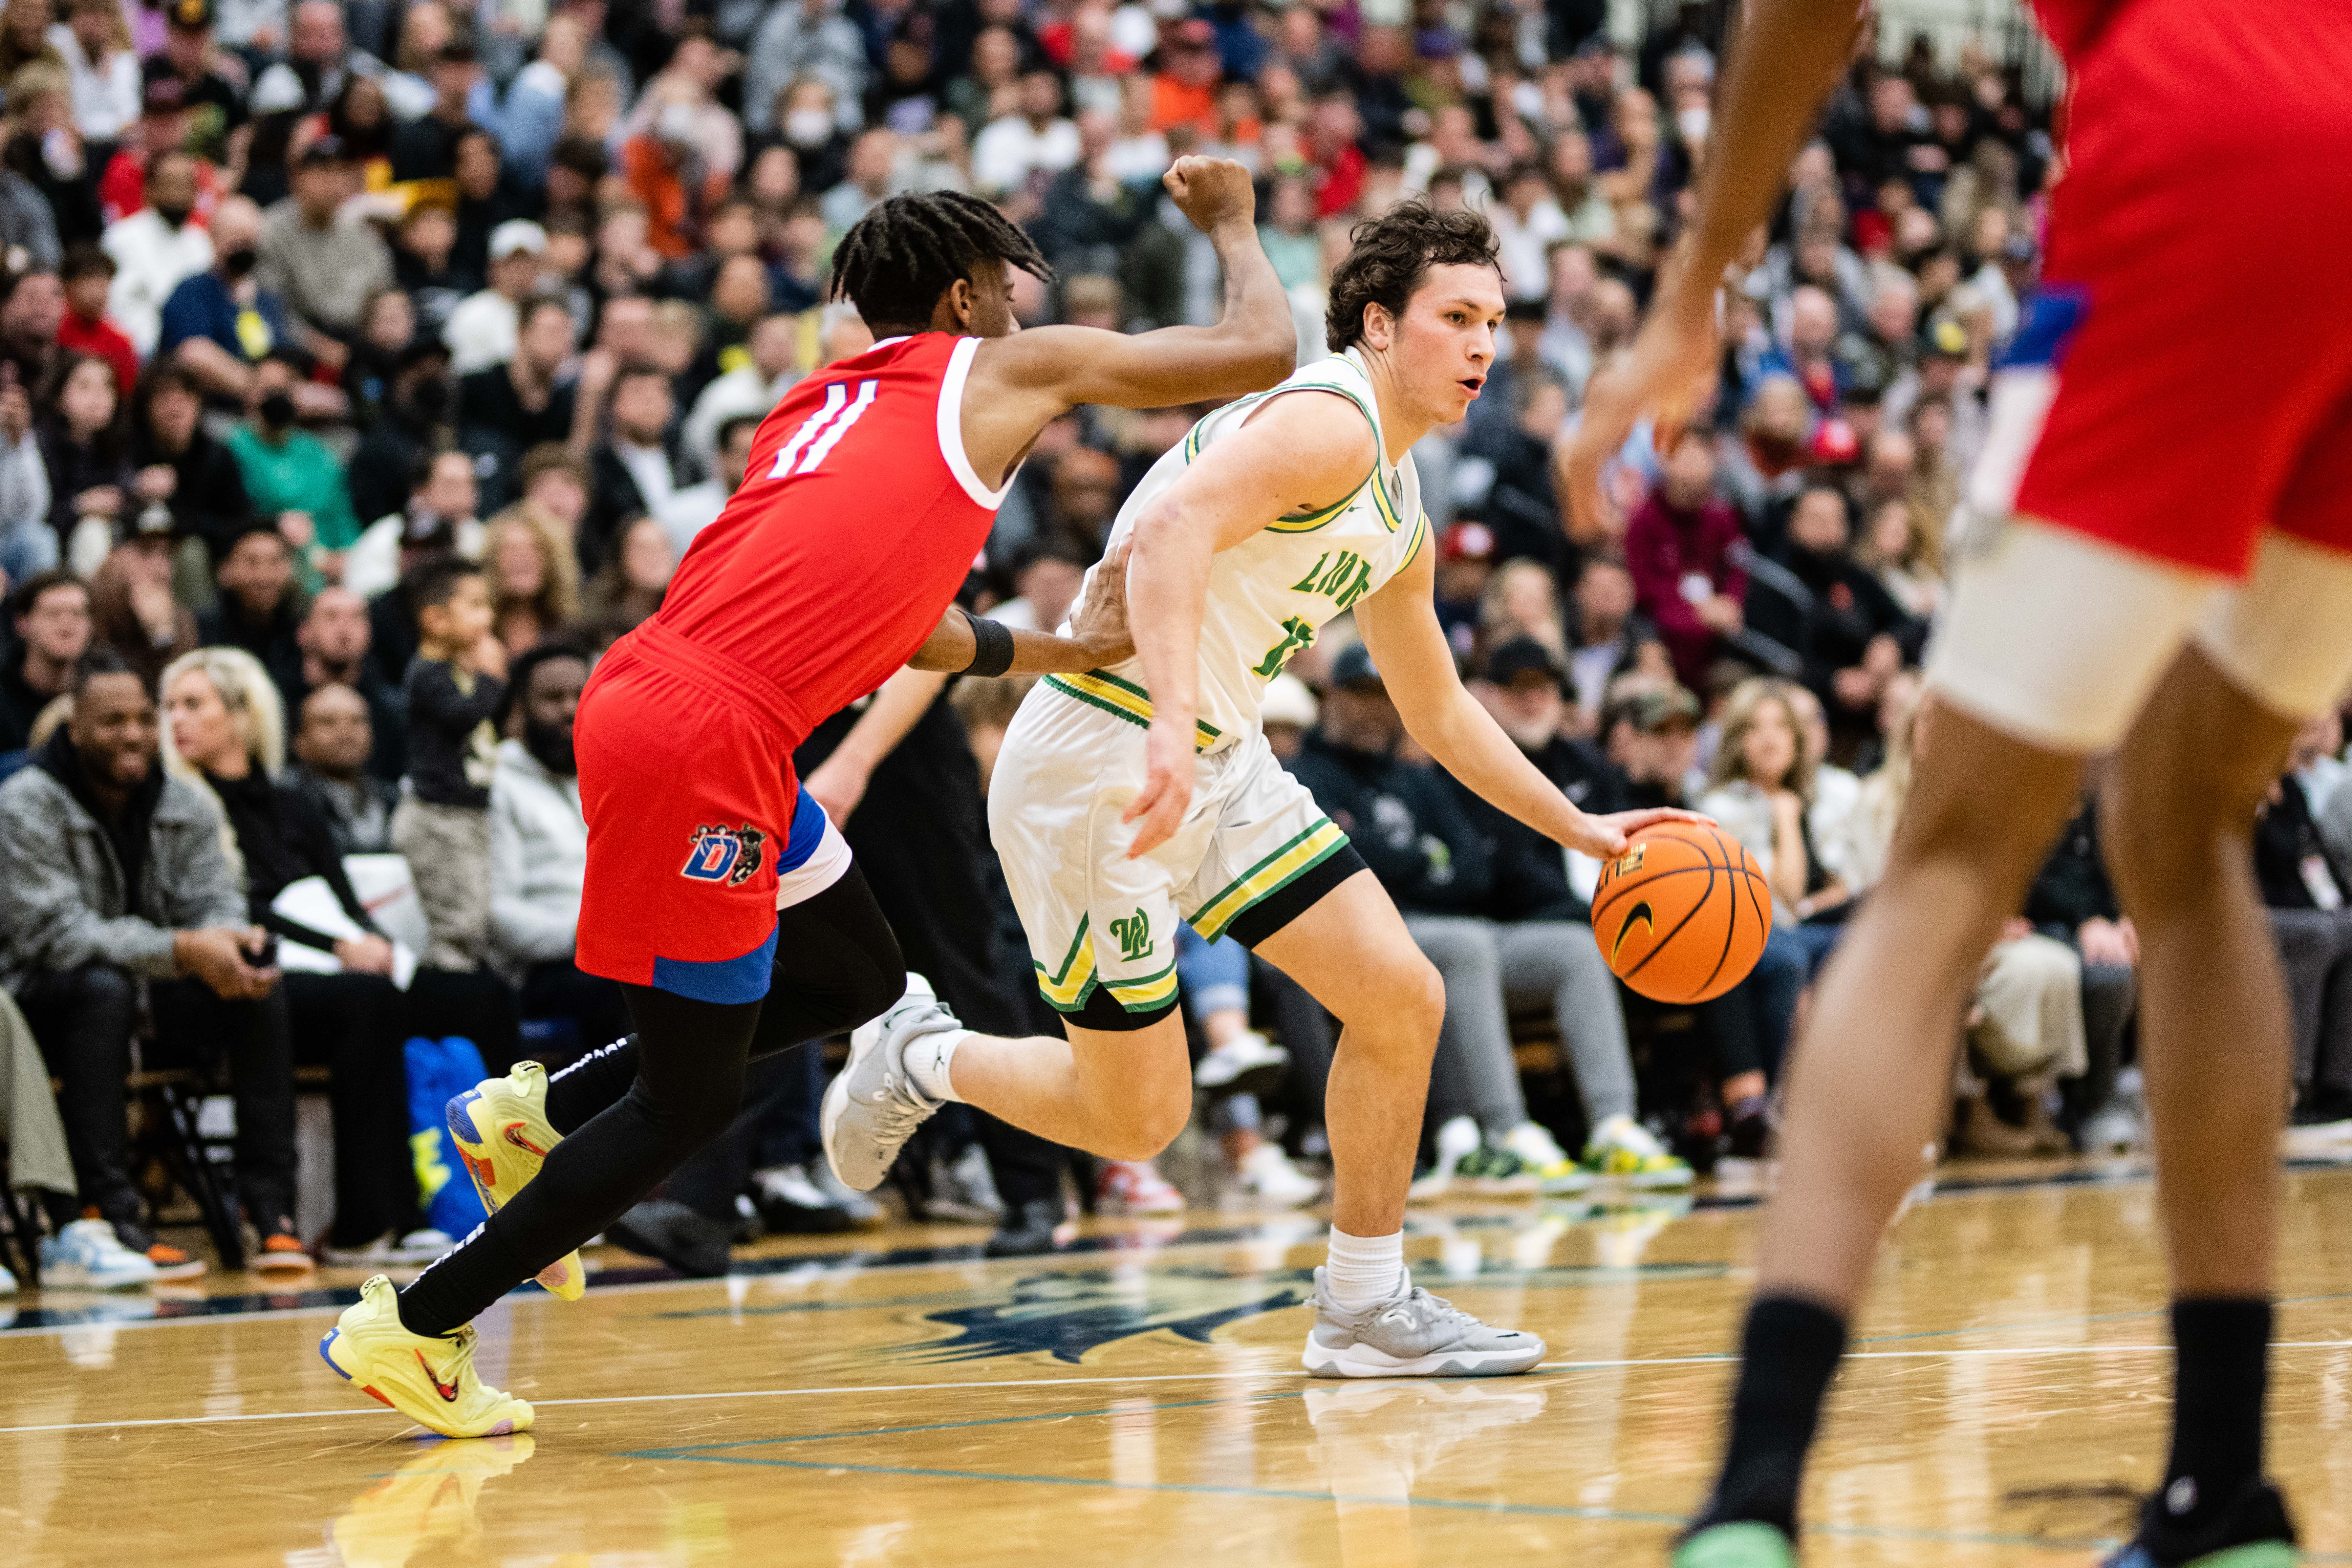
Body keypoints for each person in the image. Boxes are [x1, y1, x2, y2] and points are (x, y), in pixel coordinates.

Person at [317, 160, 1294, 1436]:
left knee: (853, 980)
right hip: (709, 738)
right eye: (1008, 288)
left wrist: (1063, 652)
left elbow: (921, 631)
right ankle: (420, 1323)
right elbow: (1259, 346)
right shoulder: (994, 372)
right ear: (960, 298)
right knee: (691, 1096)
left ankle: (527, 1112)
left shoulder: (821, 403)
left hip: (667, 703)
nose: (1023, 308)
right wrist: (1228, 220)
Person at [1567, 0, 2352, 1560]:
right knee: (2183, 826)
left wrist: (1691, 286)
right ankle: (2222, 1492)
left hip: (2215, 145)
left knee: (1946, 865)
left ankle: (1751, 1499)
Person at [833, 200, 1691, 1380]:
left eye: (1493, 320)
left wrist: (1582, 830)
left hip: (1210, 756)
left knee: (1399, 998)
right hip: (1104, 760)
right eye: (1454, 318)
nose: (1483, 345)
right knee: (1137, 1116)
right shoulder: (1327, 418)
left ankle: (1362, 1303)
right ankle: (921, 1053)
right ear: (1378, 326)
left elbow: (1435, 709)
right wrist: (1175, 727)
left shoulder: (1395, 499)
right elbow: (1174, 528)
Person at [0, 649, 307, 1278]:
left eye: (145, 718)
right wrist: (179, 950)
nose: (136, 734)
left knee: (254, 988)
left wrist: (225, 944)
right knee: (101, 990)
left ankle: (271, 1213)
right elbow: (53, 934)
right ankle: (112, 1216)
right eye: (113, 721)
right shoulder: (25, 804)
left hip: (150, 984)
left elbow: (216, 898)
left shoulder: (184, 801)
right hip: (41, 997)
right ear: (75, 725)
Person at [158, 647, 449, 1266]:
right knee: (361, 1001)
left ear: (242, 714)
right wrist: (340, 948)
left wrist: (375, 944)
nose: (174, 720)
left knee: (464, 992)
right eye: (170, 706)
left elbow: (343, 896)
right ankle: (370, 1220)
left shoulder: (293, 801)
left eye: (192, 704)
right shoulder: (178, 806)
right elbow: (240, 911)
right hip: (223, 978)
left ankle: (495, 1199)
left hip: (315, 969)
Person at [485, 640, 631, 1054]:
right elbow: (498, 915)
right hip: (544, 967)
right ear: (520, 710)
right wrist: (587, 935)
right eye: (552, 698)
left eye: (580, 696)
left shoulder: (610, 773)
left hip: (618, 949)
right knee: (629, 986)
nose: (570, 709)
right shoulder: (496, 783)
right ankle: (633, 1116)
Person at [390, 555, 503, 972]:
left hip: (466, 812)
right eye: (474, 606)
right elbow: (462, 717)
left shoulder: (458, 670)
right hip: (438, 816)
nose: (488, 617)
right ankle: (451, 1019)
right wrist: (492, 678)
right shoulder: (427, 674)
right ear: (436, 619)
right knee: (456, 925)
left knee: (476, 919)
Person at [286, 680, 397, 855]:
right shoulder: (286, 804)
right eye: (328, 722)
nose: (345, 733)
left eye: (357, 721)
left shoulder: (395, 801)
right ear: (300, 741)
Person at [0, 568, 88, 760]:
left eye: (78, 614)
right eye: (54, 614)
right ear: (23, 624)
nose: (67, 625)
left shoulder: (103, 688)